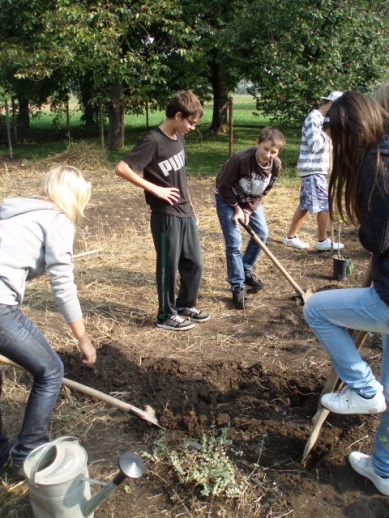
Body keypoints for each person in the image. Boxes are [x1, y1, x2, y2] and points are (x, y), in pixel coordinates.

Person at [303, 91, 389, 496]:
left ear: (353, 132)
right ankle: (385, 470)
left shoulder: (378, 165)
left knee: (317, 309)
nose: (335, 146)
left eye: (337, 138)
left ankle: (362, 389)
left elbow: (375, 239)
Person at [0, 165, 97, 478]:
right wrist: (83, 339)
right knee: (51, 370)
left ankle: (2, 454)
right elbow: (63, 285)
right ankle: (28, 454)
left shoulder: (15, 211)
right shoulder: (57, 218)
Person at [115, 91, 209, 331]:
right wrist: (156, 189)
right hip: (165, 216)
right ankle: (165, 315)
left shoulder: (179, 137)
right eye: (191, 122)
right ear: (178, 115)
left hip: (185, 211)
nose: (192, 128)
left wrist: (192, 209)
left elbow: (181, 178)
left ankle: (185, 304)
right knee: (168, 265)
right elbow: (122, 168)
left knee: (194, 263)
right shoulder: (152, 141)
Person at [215, 127, 285, 309]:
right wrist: (237, 209)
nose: (268, 154)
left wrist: (248, 210)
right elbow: (222, 185)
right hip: (227, 197)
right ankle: (237, 286)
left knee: (262, 233)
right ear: (257, 143)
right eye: (266, 148)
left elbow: (264, 190)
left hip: (250, 199)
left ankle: (245, 269)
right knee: (234, 242)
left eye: (273, 152)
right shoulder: (241, 160)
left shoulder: (275, 165)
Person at [283, 91, 345, 251]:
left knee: (305, 204)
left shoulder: (325, 120)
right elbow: (315, 144)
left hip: (319, 170)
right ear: (331, 104)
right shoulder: (314, 118)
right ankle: (322, 240)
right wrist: (328, 131)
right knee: (323, 204)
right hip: (312, 169)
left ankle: (290, 237)